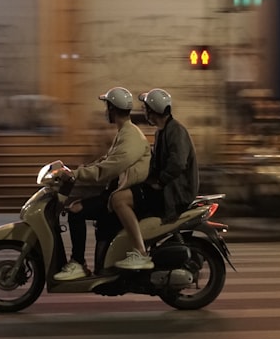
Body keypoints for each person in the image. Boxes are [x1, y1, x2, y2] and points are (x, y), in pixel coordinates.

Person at [53, 86, 150, 281]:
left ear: (113, 109)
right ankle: (95, 265)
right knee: (78, 207)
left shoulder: (130, 136)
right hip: (114, 192)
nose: (106, 111)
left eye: (107, 107)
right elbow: (104, 162)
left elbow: (108, 169)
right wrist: (75, 170)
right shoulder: (124, 133)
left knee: (75, 210)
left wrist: (76, 174)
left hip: (121, 194)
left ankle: (78, 263)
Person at [111, 88, 199, 270]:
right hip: (167, 188)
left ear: (153, 111)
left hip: (174, 193)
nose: (144, 111)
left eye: (146, 108)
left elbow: (178, 163)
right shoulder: (162, 131)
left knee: (119, 200)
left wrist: (159, 182)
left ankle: (140, 253)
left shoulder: (176, 131)